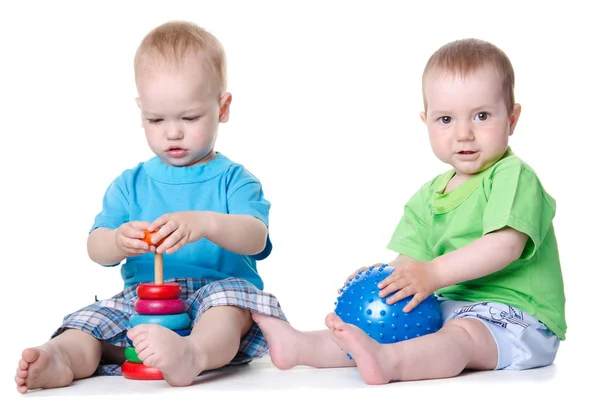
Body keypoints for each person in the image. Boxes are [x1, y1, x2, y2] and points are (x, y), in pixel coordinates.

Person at [253, 38, 566, 384]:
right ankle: (302, 346)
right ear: (426, 121)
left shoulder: (512, 176)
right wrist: (387, 281)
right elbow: (411, 264)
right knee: (387, 321)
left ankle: (391, 363)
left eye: (482, 116)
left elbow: (504, 246)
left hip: (517, 319)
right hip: (451, 306)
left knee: (460, 338)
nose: (464, 134)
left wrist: (432, 274)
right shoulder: (429, 195)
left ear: (512, 118)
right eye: (445, 119)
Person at [15, 21, 286, 393]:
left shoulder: (235, 179)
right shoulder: (129, 184)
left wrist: (208, 223)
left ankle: (192, 354)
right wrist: (117, 241)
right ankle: (61, 358)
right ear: (140, 110)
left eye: (190, 118)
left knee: (227, 308)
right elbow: (96, 248)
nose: (172, 132)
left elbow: (256, 238)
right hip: (144, 299)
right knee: (91, 322)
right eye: (156, 119)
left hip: (214, 293)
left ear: (222, 108)